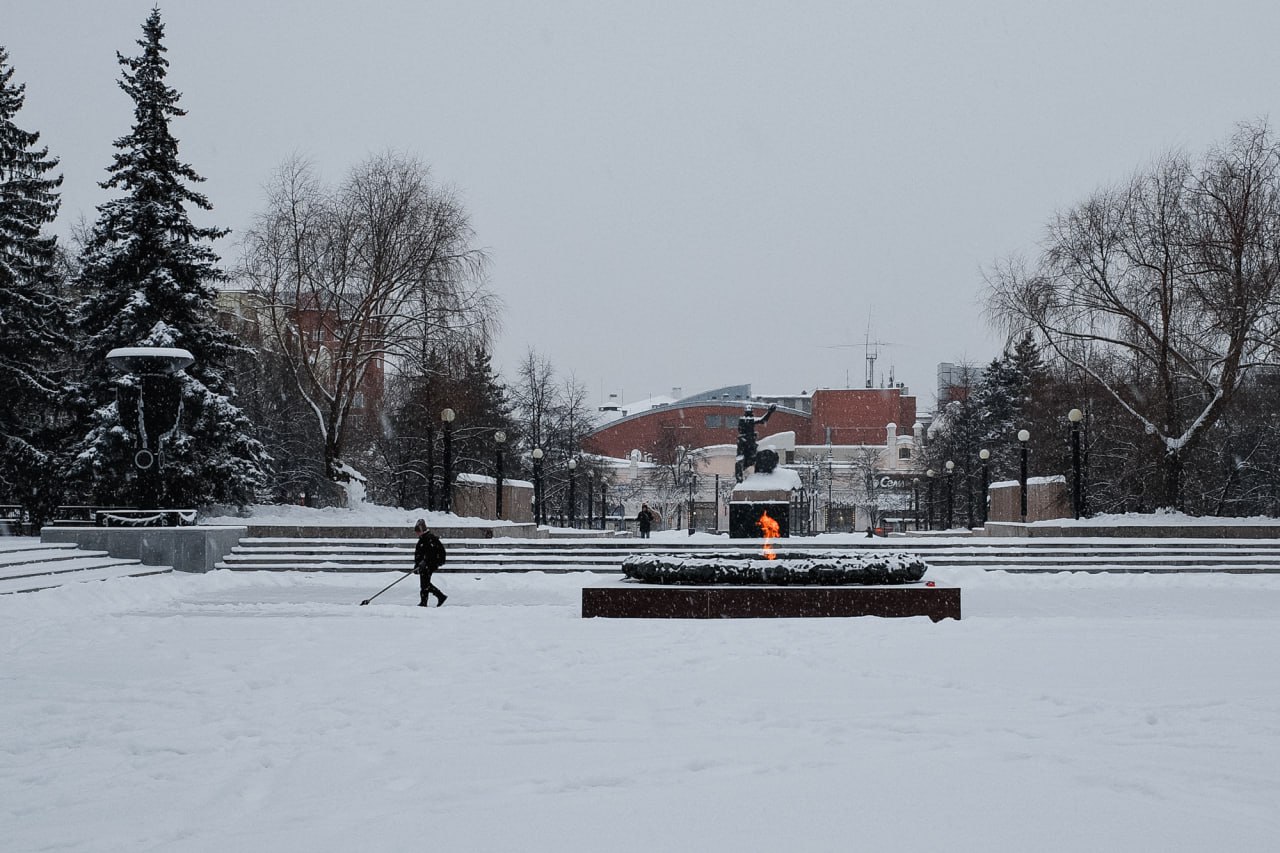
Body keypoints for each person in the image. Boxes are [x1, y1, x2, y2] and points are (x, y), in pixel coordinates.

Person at [412, 519, 448, 607]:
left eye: (418, 531)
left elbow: (431, 554)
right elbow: (419, 555)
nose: (417, 533)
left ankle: (437, 597)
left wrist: (425, 562)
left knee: (425, 584)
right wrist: (417, 565)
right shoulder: (423, 539)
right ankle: (436, 597)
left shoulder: (429, 539)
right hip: (424, 565)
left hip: (429, 565)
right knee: (425, 583)